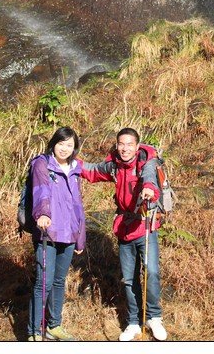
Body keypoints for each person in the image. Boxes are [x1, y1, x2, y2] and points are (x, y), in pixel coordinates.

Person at [80, 127, 167, 341]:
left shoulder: (146, 162)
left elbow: (149, 178)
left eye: (129, 144)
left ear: (137, 147)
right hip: (124, 228)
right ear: (117, 145)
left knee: (151, 272)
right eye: (121, 144)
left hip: (145, 226)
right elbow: (93, 171)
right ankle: (133, 322)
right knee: (129, 279)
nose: (125, 148)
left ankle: (154, 317)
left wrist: (148, 188)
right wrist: (69, 162)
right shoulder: (114, 165)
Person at [25, 126, 86, 341]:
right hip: (47, 231)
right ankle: (35, 331)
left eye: (69, 145)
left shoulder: (75, 169)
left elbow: (77, 205)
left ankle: (54, 325)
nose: (64, 148)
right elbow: (41, 190)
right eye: (61, 143)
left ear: (74, 148)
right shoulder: (42, 164)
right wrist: (43, 214)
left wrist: (80, 236)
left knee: (59, 281)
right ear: (53, 143)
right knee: (44, 282)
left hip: (69, 234)